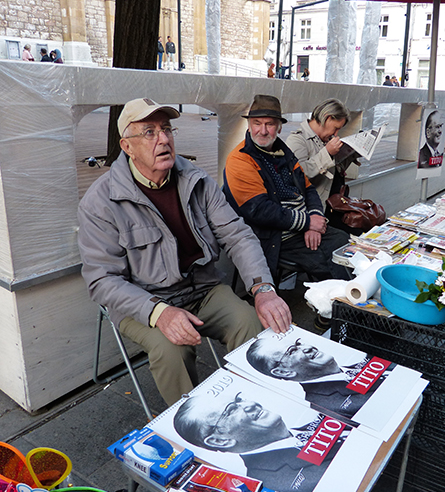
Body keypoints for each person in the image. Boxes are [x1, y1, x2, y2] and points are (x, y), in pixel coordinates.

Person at [77, 98, 291, 406]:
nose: (163, 139)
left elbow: (237, 234)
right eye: (149, 132)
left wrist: (263, 288)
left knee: (250, 323)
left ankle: (252, 405)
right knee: (171, 350)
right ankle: (196, 425)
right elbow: (102, 280)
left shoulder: (196, 179)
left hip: (202, 288)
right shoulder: (101, 201)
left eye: (166, 129)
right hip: (146, 301)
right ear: (127, 146)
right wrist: (159, 312)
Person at [222, 95, 350, 283]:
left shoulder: (284, 152)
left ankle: (345, 302)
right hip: (273, 236)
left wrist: (314, 219)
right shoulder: (240, 159)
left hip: (299, 226)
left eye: (270, 124)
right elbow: (260, 211)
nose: (263, 131)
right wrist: (307, 222)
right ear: (249, 125)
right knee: (333, 263)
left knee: (344, 244)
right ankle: (344, 305)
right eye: (257, 123)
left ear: (279, 127)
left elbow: (308, 189)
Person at [173, 392, 345, 492]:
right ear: (220, 440)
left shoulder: (316, 415)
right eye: (232, 409)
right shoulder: (274, 481)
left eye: (239, 399)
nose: (250, 404)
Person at [245, 334, 393, 417]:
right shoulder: (326, 405)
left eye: (299, 343)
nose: (308, 347)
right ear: (283, 372)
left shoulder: (361, 358)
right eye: (293, 350)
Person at [286, 99, 356, 226]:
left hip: (336, 204)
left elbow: (332, 171)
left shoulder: (325, 139)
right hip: (316, 210)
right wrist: (327, 153)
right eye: (335, 128)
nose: (335, 134)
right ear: (327, 118)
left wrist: (352, 154)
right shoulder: (297, 139)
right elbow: (297, 175)